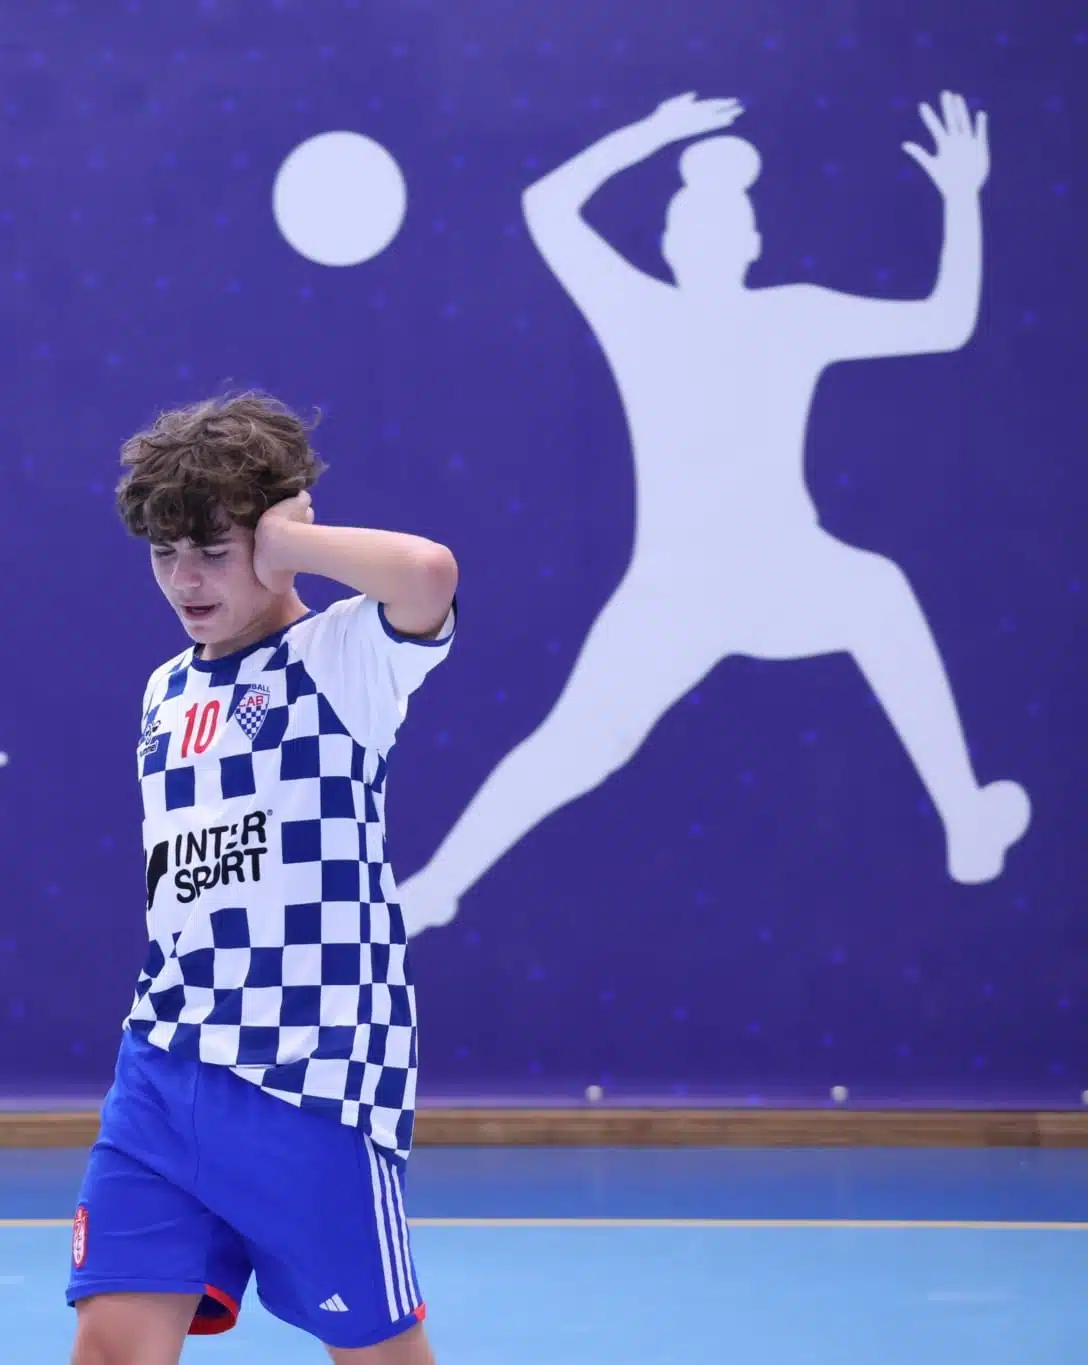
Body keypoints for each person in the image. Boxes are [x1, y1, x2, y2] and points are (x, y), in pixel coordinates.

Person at [399, 90, 1028, 936]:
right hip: (677, 590)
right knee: (574, 746)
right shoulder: (648, 311)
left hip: (781, 570)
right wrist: (654, 131)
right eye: (691, 226)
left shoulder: (786, 314)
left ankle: (967, 819)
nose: (707, 239)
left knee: (879, 593)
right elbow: (545, 206)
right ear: (668, 244)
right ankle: (437, 886)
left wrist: (961, 196)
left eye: (724, 227)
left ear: (753, 244)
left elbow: (946, 324)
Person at [67, 392, 459, 1365]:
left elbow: (425, 573)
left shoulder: (342, 657)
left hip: (309, 1082)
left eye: (213, 549)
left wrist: (289, 546)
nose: (184, 579)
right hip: (163, 1069)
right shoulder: (164, 690)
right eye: (165, 552)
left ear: (276, 535)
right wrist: (245, 545)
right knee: (109, 1346)